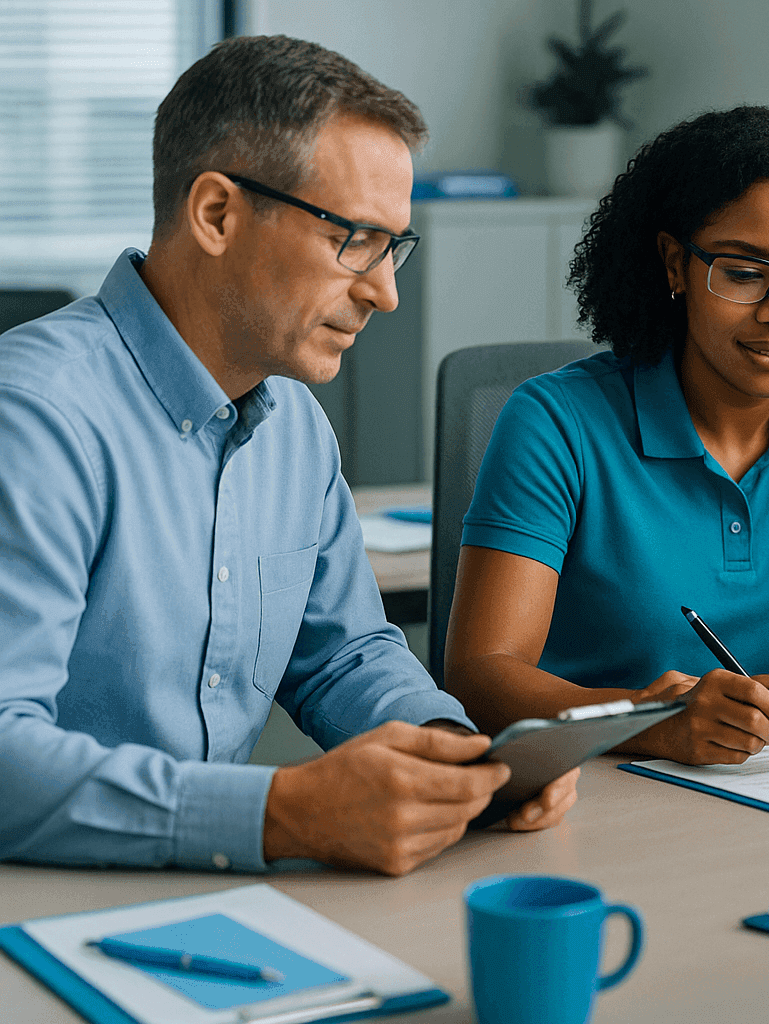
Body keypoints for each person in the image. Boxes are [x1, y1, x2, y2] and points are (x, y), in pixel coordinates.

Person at [0, 35, 577, 877]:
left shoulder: (295, 426)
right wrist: (283, 813)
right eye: (356, 240)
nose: (385, 292)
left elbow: (343, 655)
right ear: (217, 214)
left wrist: (454, 753)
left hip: (209, 891)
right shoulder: (37, 417)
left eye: (395, 248)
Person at [444, 106, 769, 766]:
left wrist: (761, 704)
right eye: (746, 273)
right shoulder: (556, 421)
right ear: (674, 264)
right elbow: (483, 675)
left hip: (759, 784)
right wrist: (652, 722)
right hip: (582, 785)